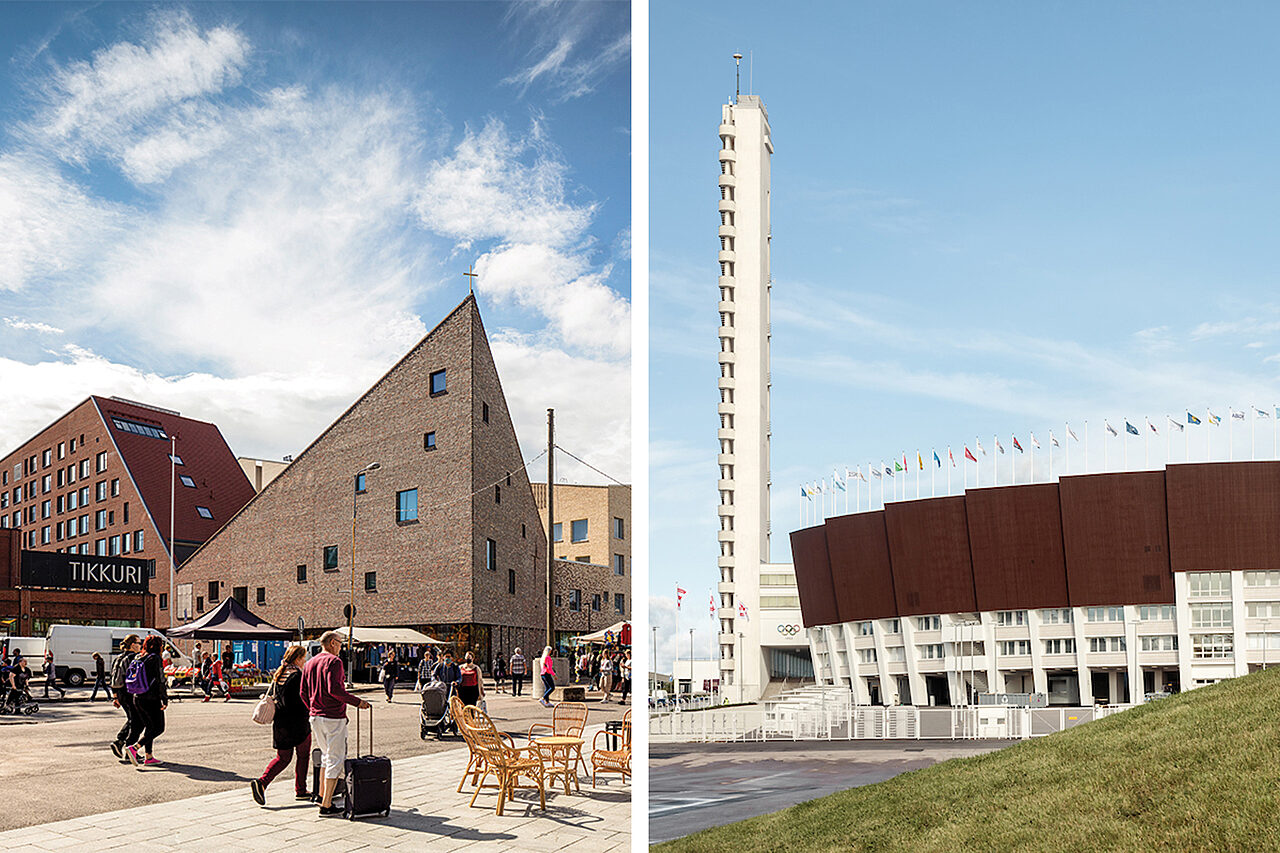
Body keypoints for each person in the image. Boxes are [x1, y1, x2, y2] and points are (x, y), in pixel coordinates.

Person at [300, 631, 370, 816]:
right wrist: (358, 702)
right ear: (332, 643)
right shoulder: (334, 662)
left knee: (325, 756)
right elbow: (335, 690)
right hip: (333, 717)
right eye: (340, 643)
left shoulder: (309, 663)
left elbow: (303, 692)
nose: (341, 647)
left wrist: (313, 708)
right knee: (335, 759)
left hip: (315, 716)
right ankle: (326, 804)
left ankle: (322, 795)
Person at [250, 645, 312, 805]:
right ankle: (301, 790)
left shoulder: (280, 673)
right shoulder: (297, 675)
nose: (304, 661)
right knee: (303, 756)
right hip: (298, 723)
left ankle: (262, 782)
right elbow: (301, 700)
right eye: (303, 658)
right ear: (298, 658)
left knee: (283, 758)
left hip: (281, 722)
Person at [126, 634, 169, 767]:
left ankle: (149, 757)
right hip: (151, 698)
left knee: (150, 727)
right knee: (159, 728)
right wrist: (164, 699)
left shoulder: (140, 656)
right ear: (159, 646)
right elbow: (161, 680)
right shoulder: (155, 658)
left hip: (137, 697)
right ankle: (135, 748)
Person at [110, 635, 141, 759]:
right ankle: (124, 744)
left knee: (133, 719)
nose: (140, 645)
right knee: (137, 721)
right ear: (133, 644)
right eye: (139, 643)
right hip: (129, 692)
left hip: (120, 692)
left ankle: (122, 743)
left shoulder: (118, 657)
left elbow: (113, 677)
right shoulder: (134, 658)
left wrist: (115, 697)